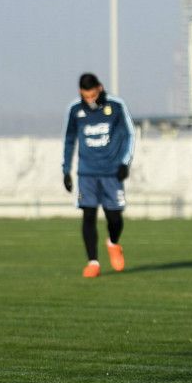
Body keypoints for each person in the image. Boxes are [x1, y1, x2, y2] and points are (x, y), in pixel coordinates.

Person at [61, 72, 134, 278]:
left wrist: (125, 162)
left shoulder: (116, 107)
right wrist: (66, 170)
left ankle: (113, 243)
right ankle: (93, 262)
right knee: (88, 215)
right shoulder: (76, 111)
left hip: (111, 172)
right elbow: (68, 140)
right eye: (86, 96)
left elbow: (129, 134)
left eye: (93, 95)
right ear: (80, 93)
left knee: (114, 217)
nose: (90, 100)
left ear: (99, 88)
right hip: (87, 174)